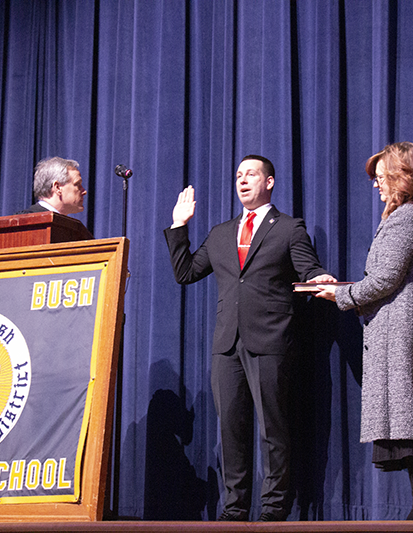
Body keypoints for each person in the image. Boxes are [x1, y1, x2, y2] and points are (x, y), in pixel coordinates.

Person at [164, 155, 335, 522]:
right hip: (227, 344)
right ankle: (235, 508)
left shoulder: (289, 228)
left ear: (269, 182)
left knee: (273, 428)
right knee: (231, 430)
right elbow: (185, 272)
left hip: (271, 340)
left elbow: (309, 267)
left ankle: (273, 509)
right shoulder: (221, 233)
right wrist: (179, 226)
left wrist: (319, 277)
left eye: (251, 174)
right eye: (238, 175)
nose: (242, 180)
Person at [315, 142, 413, 520]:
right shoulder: (408, 217)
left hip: (408, 334)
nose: (376, 186)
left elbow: (383, 281)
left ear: (401, 178)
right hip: (404, 331)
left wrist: (339, 294)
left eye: (381, 179)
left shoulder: (408, 219)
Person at [17, 156, 87, 215]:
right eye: (77, 185)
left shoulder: (71, 228)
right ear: (57, 187)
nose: (84, 191)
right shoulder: (25, 223)